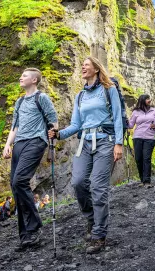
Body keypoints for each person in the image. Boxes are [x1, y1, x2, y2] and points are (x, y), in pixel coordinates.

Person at [49, 57, 123, 255]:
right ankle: (91, 218)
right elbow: (75, 124)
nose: (82, 67)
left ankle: (99, 235)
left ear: (96, 69)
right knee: (78, 183)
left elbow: (117, 117)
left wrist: (118, 143)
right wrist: (59, 134)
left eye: (86, 64)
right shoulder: (80, 96)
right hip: (85, 142)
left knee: (99, 187)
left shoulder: (109, 89)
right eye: (81, 64)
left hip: (106, 141)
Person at [3, 68, 58, 250]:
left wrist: (52, 147)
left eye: (25, 75)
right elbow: (15, 126)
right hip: (19, 143)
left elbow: (53, 121)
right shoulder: (19, 102)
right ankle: (25, 235)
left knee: (20, 181)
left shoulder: (41, 98)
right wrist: (7, 144)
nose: (20, 77)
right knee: (15, 186)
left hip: (36, 141)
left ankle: (34, 225)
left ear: (34, 80)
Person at [129, 94, 155, 187]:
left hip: (150, 138)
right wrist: (124, 122)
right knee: (138, 159)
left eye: (149, 98)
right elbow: (131, 125)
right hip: (137, 137)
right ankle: (142, 180)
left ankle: (147, 181)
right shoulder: (136, 112)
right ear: (142, 100)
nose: (149, 100)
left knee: (146, 158)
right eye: (147, 99)